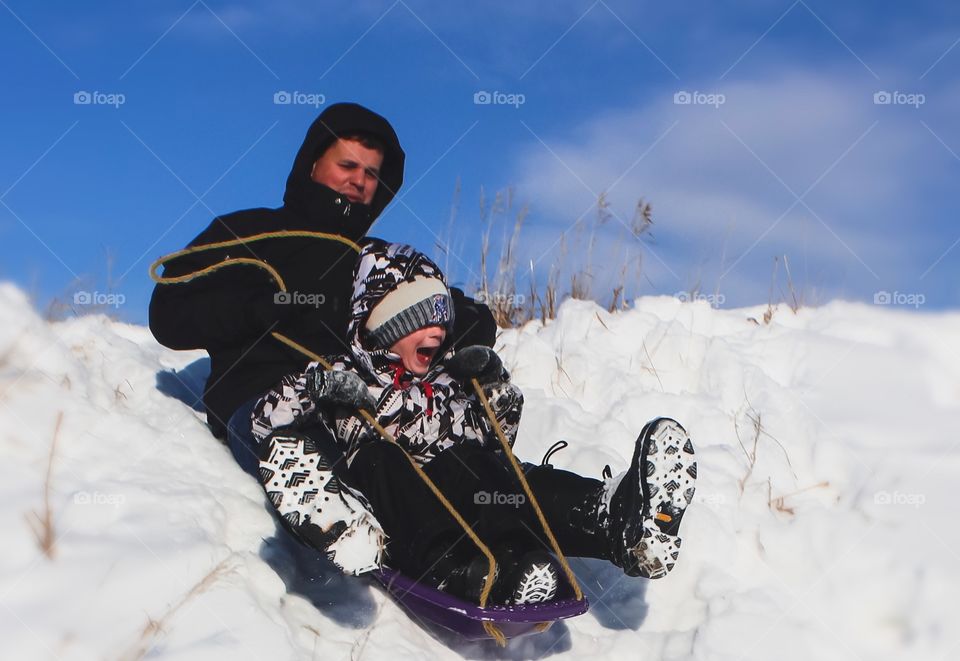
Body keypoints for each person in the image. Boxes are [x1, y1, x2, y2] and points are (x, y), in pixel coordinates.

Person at [248, 239, 699, 604]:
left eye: (442, 320)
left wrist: (493, 387)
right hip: (400, 510)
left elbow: (495, 439)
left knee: (502, 472)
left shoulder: (446, 380)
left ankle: (611, 522)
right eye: (419, 320)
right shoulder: (343, 375)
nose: (437, 330)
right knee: (382, 459)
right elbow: (264, 421)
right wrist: (316, 389)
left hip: (464, 498)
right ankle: (392, 544)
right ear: (383, 324)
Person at [148, 103, 496, 452]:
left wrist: (457, 324)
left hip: (366, 409)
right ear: (312, 164)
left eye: (371, 174)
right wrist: (258, 308)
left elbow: (450, 308)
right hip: (265, 403)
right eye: (347, 166)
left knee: (441, 455)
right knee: (315, 449)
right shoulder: (249, 232)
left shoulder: (379, 259)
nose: (359, 181)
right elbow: (169, 313)